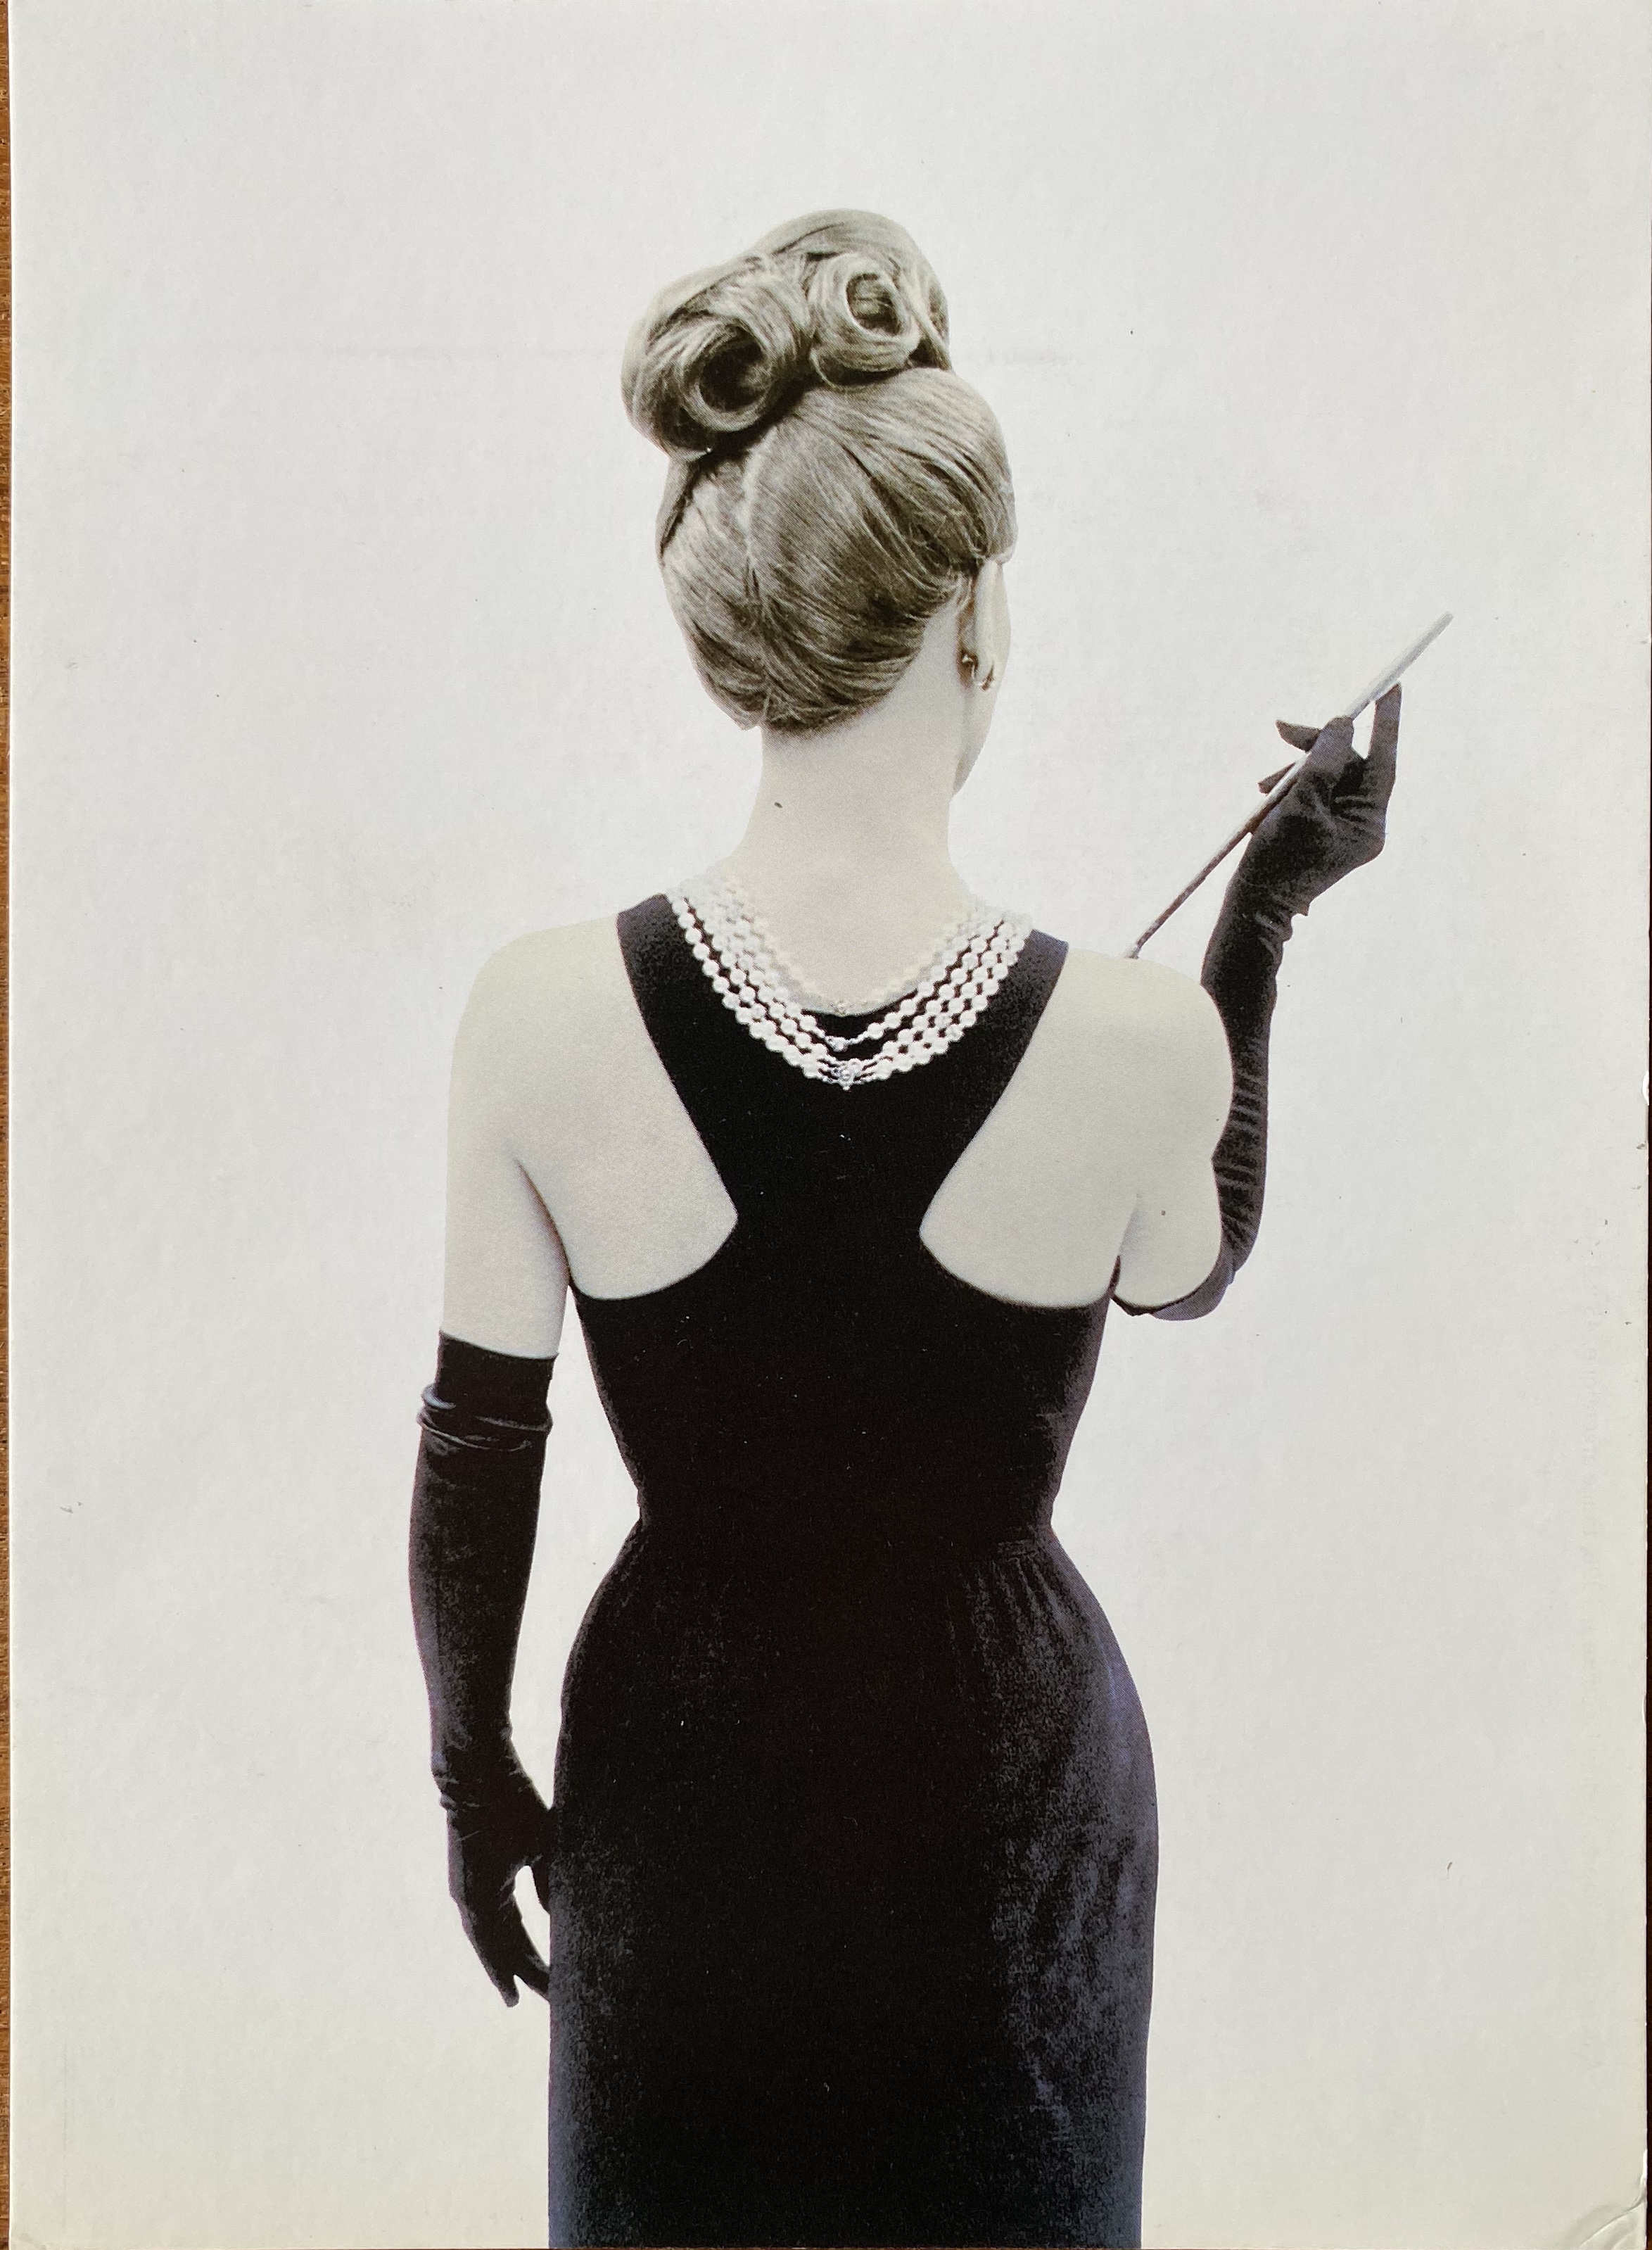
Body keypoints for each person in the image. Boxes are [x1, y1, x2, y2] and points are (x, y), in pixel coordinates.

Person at [409, 210, 1399, 2250]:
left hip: (681, 1757)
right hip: (1007, 1789)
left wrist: (470, 1777)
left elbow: (476, 1447)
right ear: (973, 627)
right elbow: (1193, 1256)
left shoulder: (534, 1014)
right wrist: (1266, 918)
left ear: (739, 626)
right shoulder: (1135, 1039)